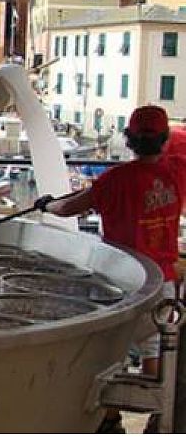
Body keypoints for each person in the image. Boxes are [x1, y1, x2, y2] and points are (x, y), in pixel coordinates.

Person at [35, 105, 185, 434]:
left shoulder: (114, 181)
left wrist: (46, 204)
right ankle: (157, 419)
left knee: (108, 358)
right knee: (155, 353)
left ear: (128, 140)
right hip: (165, 285)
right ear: (163, 140)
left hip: (125, 285)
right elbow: (179, 140)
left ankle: (110, 418)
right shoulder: (177, 171)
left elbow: (67, 208)